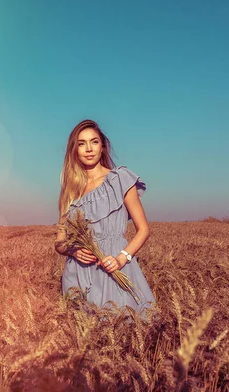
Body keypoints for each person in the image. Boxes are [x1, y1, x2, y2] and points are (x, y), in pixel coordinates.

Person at [54, 119, 156, 319]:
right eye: (82, 144)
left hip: (114, 268)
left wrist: (121, 258)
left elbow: (144, 229)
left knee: (123, 330)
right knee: (84, 342)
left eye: (94, 142)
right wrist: (73, 250)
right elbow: (59, 242)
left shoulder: (119, 179)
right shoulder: (70, 191)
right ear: (74, 150)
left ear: (103, 146)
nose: (89, 149)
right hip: (78, 276)